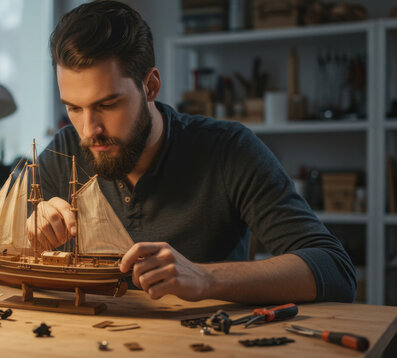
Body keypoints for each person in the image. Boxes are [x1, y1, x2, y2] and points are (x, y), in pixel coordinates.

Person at [27, 0, 357, 304]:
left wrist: (205, 278)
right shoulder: (67, 149)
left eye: (108, 104)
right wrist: (30, 235)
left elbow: (335, 271)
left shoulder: (229, 149)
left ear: (151, 86)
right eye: (73, 107)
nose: (89, 130)